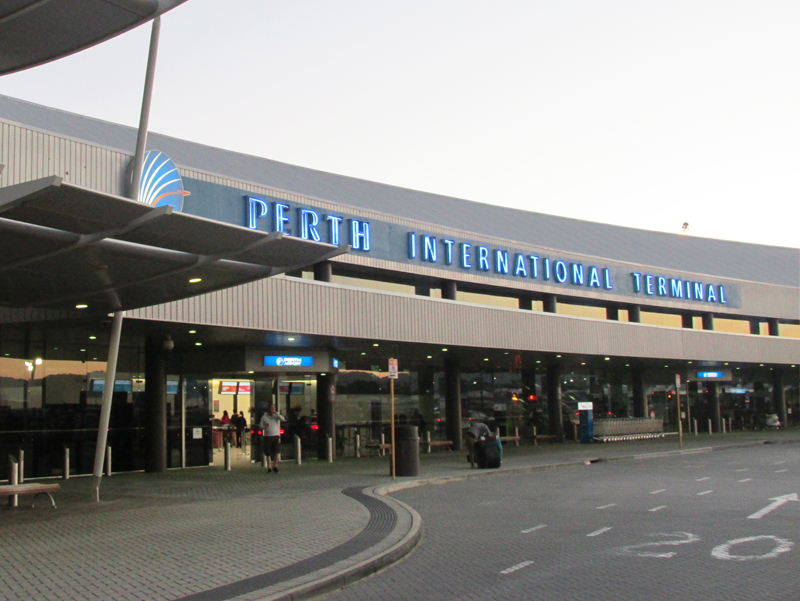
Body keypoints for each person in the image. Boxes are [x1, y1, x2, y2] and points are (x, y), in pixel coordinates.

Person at [259, 404, 286, 473]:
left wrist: (276, 413)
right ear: (268, 408)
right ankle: (269, 467)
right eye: (271, 408)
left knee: (277, 451)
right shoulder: (264, 417)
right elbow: (260, 426)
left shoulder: (276, 416)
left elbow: (283, 419)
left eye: (274, 408)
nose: (272, 409)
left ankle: (275, 466)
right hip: (268, 436)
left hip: (276, 435)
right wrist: (265, 427)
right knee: (268, 452)